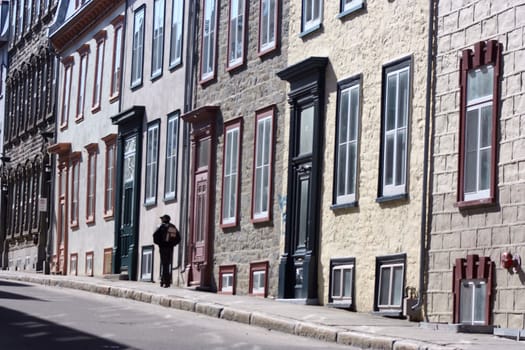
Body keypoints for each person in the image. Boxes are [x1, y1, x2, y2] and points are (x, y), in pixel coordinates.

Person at [153, 215, 180, 288]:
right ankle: (163, 280)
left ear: (164, 220)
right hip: (170, 247)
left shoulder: (160, 226)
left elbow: (155, 236)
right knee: (168, 263)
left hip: (163, 247)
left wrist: (160, 244)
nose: (161, 220)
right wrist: (173, 244)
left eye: (162, 219)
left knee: (164, 264)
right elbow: (178, 238)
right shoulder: (173, 227)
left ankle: (166, 282)